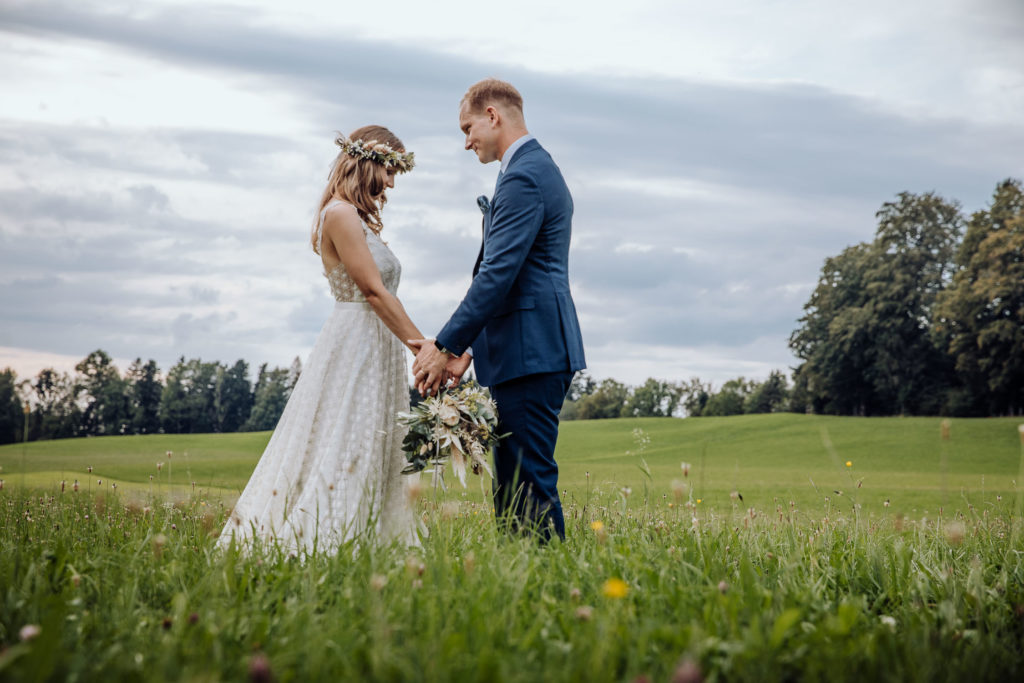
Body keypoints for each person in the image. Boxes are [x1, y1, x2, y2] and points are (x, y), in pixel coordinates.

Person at [219, 125, 425, 553]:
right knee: (350, 439)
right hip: (357, 342)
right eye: (390, 172)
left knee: (377, 445)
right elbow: (372, 290)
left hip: (378, 342)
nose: (390, 184)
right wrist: (422, 347)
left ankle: (371, 542)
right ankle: (325, 542)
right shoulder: (339, 214)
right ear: (370, 162)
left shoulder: (357, 218)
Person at [411, 79, 586, 542]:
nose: (466, 141)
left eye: (468, 128)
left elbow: (497, 274)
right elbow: (511, 275)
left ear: (493, 115)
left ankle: (546, 590)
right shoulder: (532, 169)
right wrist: (471, 353)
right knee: (513, 487)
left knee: (527, 486)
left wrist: (445, 344)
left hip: (532, 351)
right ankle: (524, 588)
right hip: (525, 348)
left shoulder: (525, 175)